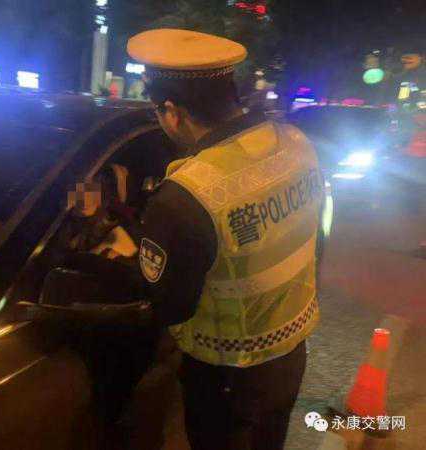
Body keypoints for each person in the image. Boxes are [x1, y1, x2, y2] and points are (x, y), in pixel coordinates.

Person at [126, 29, 323, 450]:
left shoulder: (185, 197)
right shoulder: (295, 144)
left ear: (172, 112)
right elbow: (312, 237)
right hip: (290, 356)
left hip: (228, 377)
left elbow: (170, 307)